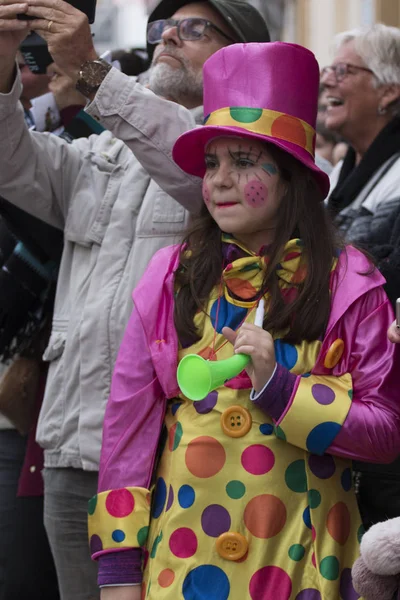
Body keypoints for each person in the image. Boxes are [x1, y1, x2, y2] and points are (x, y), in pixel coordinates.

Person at [90, 42, 400, 600]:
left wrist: (281, 389)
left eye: (244, 162)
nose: (220, 181)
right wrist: (117, 571)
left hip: (306, 566)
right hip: (180, 565)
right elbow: (127, 434)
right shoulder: (171, 275)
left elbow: (384, 433)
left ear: (292, 177)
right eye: (212, 163)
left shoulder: (349, 282)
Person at [0, 0, 271, 597]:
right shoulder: (106, 150)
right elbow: (11, 164)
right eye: (163, 26)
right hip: (74, 445)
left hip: (172, 454)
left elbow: (185, 158)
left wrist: (92, 72)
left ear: (241, 57)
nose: (170, 34)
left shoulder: (245, 158)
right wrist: (3, 69)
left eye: (195, 28)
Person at [322, 23, 400, 531]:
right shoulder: (339, 175)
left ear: (389, 91)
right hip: (347, 400)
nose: (328, 80)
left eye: (343, 70)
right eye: (328, 70)